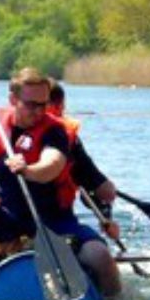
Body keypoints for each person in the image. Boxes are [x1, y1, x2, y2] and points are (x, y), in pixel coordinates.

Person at [0, 64, 120, 300]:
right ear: (13, 99)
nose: (38, 111)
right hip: (7, 216)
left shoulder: (55, 131)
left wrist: (29, 170)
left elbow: (52, 164)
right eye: (31, 104)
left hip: (53, 220)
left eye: (43, 104)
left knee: (99, 256)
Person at [47, 82, 119, 240]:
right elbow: (104, 190)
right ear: (59, 107)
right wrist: (106, 214)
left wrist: (104, 212)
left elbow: (95, 187)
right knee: (99, 253)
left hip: (9, 220)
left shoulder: (9, 129)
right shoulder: (67, 139)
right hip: (57, 222)